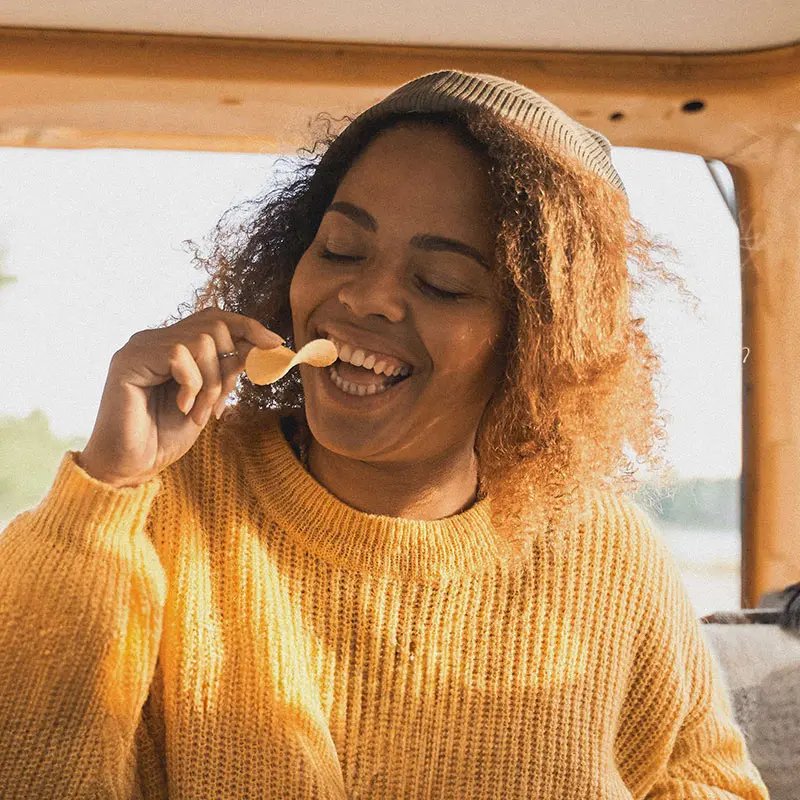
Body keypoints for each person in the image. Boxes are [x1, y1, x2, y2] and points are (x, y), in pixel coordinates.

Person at [0, 70, 769, 798]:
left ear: (538, 341)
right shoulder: (158, 508)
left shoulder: (607, 555)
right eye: (339, 248)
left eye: (442, 284)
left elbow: (701, 780)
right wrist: (105, 488)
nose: (364, 296)